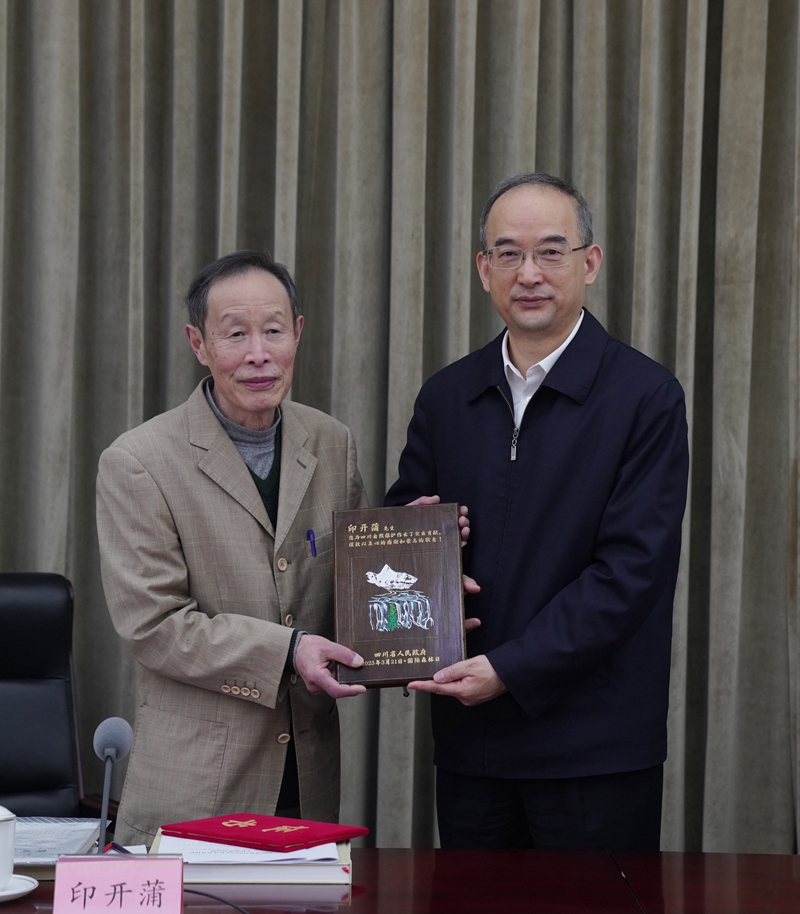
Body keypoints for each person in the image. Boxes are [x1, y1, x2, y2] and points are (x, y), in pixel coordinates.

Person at [385, 173, 690, 851]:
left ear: (590, 262)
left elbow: (631, 573)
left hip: (597, 747)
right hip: (474, 745)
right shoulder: (447, 396)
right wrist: (419, 543)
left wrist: (513, 669)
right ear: (483, 269)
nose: (529, 274)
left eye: (551, 252)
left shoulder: (645, 397)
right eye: (508, 254)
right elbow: (405, 513)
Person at [96, 251, 370, 846]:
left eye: (274, 330)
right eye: (235, 334)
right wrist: (287, 650)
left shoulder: (331, 442)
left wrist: (416, 551)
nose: (258, 354)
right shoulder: (139, 461)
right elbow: (154, 624)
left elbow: (354, 580)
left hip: (309, 773)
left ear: (297, 332)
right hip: (199, 782)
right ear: (199, 342)